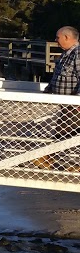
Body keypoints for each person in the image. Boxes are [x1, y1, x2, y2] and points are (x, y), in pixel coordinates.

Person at [42, 26, 80, 168]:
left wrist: (78, 101)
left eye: (57, 37)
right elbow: (57, 77)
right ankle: (50, 159)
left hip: (74, 105)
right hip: (65, 103)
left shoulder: (78, 53)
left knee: (64, 132)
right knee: (64, 132)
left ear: (66, 37)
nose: (56, 41)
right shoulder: (65, 54)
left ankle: (48, 159)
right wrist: (47, 91)